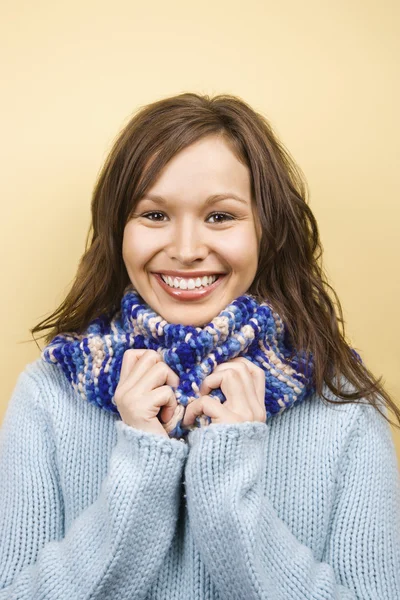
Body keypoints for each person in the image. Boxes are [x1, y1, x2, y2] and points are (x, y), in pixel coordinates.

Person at [1, 92, 399, 599]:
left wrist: (229, 479)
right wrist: (142, 467)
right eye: (153, 215)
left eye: (220, 217)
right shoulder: (47, 395)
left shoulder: (344, 407)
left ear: (266, 231)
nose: (187, 251)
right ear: (117, 231)